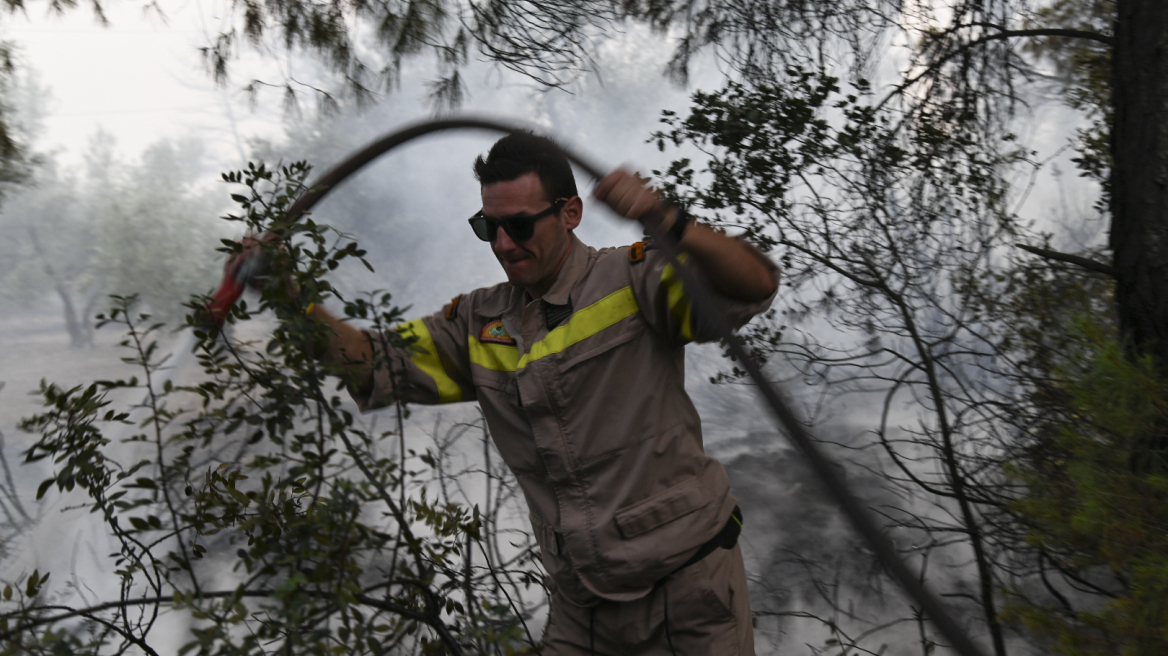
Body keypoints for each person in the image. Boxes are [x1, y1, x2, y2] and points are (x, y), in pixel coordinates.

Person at [293, 132, 778, 655]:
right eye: (489, 227)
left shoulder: (634, 279)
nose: (504, 244)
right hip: (582, 607)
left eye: (520, 226)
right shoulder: (477, 323)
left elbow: (753, 284)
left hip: (690, 590)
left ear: (570, 213)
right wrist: (289, 293)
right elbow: (371, 365)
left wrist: (664, 216)